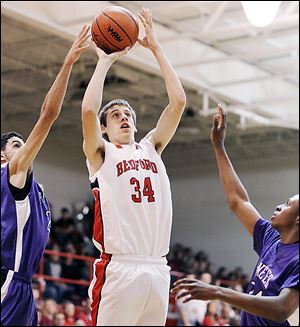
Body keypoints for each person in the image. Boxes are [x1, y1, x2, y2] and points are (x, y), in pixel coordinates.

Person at [81, 7, 186, 326]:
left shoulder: (151, 147)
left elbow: (178, 102)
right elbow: (88, 111)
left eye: (128, 115)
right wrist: (104, 61)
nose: (124, 118)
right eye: (115, 116)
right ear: (104, 128)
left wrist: (156, 47)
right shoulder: (101, 153)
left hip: (157, 269)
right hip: (120, 269)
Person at [171, 105, 299, 326]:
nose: (279, 206)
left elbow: (281, 309)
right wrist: (219, 146)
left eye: (288, 204)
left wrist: (219, 293)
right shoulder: (271, 238)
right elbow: (238, 201)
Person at [1, 25, 90, 326]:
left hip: (23, 285)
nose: (24, 146)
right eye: (16, 144)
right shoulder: (12, 174)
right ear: (2, 156)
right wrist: (68, 63)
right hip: (7, 281)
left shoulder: (35, 189)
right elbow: (48, 115)